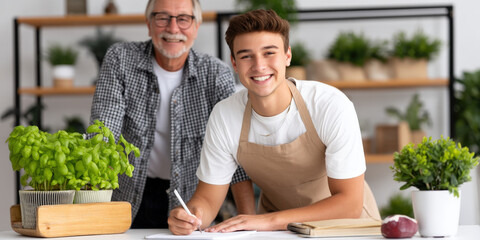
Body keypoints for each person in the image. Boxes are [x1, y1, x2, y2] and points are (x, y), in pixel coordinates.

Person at [167, 9, 381, 235]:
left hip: (345, 228)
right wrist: (191, 216)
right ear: (234, 63)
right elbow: (208, 199)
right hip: (280, 232)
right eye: (246, 55)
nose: (259, 66)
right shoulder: (225, 116)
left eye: (269, 53)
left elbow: (349, 204)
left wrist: (266, 221)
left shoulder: (329, 105)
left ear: (287, 55)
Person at [89, 0, 255, 229]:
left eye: (183, 19)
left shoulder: (216, 74)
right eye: (162, 18)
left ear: (196, 27)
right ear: (149, 24)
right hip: (125, 195)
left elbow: (235, 154)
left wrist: (251, 225)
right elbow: (105, 129)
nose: (173, 28)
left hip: (191, 204)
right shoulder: (120, 59)